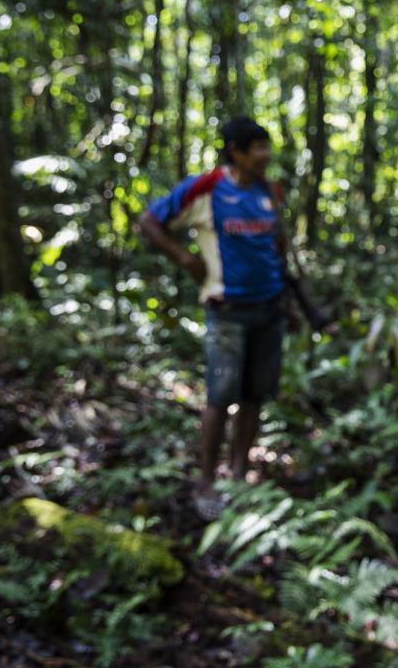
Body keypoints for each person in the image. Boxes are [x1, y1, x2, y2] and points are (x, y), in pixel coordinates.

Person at [139, 116, 288, 519]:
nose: (264, 154)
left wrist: (290, 295)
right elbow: (149, 221)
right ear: (235, 151)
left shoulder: (270, 191)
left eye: (266, 145)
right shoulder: (206, 188)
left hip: (269, 312)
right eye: (256, 146)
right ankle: (207, 481)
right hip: (227, 314)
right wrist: (186, 259)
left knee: (255, 397)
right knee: (221, 397)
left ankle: (240, 474)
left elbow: (279, 246)